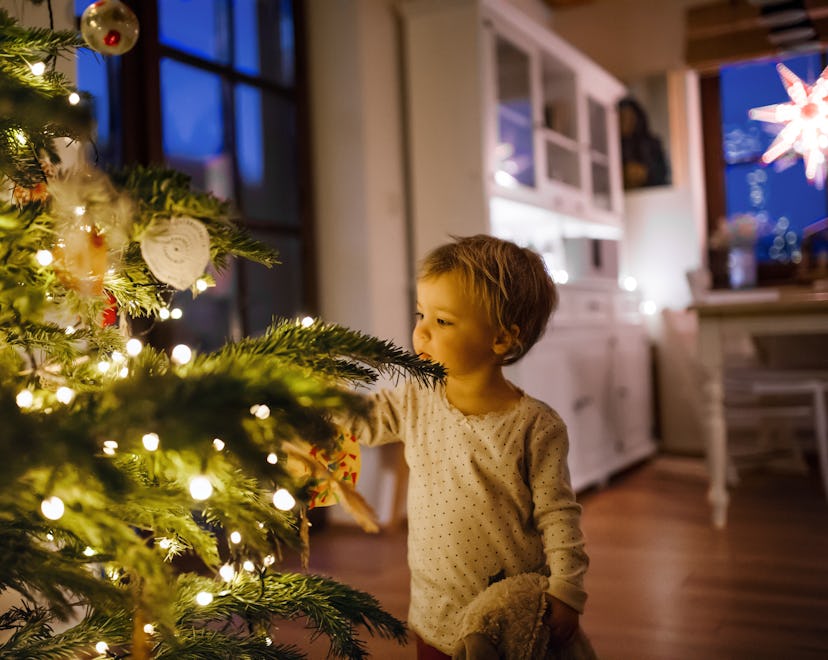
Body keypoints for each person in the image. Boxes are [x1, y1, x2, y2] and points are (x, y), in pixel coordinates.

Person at [349, 235, 589, 659]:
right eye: (421, 314)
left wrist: (566, 590)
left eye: (442, 322)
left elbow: (558, 513)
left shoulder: (535, 425)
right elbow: (362, 420)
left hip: (505, 618)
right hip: (432, 609)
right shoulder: (415, 399)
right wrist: (307, 404)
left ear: (501, 339)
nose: (420, 331)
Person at [619, 96, 669, 189]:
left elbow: (662, 173)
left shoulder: (651, 143)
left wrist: (645, 173)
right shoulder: (609, 146)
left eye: (630, 118)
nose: (626, 122)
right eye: (622, 117)